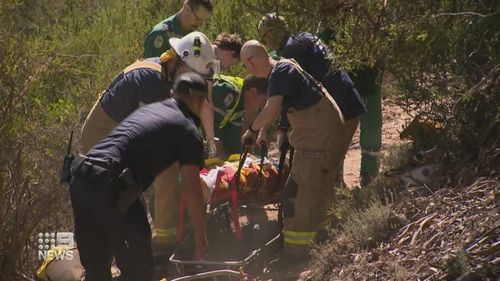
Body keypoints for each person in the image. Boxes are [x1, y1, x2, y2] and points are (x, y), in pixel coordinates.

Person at [80, 31, 215, 257]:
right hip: (102, 136)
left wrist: (208, 143)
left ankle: (168, 233)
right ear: (179, 63)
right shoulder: (152, 82)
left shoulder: (168, 73)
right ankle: (164, 242)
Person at [69, 72, 209, 281]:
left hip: (81, 176)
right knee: (139, 268)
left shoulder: (153, 109)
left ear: (173, 93)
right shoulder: (188, 129)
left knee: (96, 268)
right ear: (200, 100)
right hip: (111, 183)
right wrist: (200, 237)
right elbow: (192, 189)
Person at [240, 41, 355, 265]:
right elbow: (281, 106)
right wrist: (267, 130)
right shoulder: (284, 67)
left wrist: (252, 130)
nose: (248, 69)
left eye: (246, 65)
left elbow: (271, 108)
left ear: (251, 62)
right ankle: (326, 241)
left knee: (297, 194)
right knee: (320, 189)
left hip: (317, 136)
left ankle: (295, 255)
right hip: (323, 132)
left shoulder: (280, 72)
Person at [257, 13, 366, 185]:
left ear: (272, 32)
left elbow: (288, 94)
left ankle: (336, 207)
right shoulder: (304, 37)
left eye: (264, 38)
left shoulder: (292, 52)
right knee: (332, 162)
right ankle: (338, 203)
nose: (265, 44)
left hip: (338, 108)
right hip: (348, 99)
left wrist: (282, 129)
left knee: (328, 166)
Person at [144, 0, 213, 58]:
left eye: (204, 21)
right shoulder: (161, 33)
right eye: (198, 19)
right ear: (187, 9)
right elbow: (151, 69)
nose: (200, 24)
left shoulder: (194, 34)